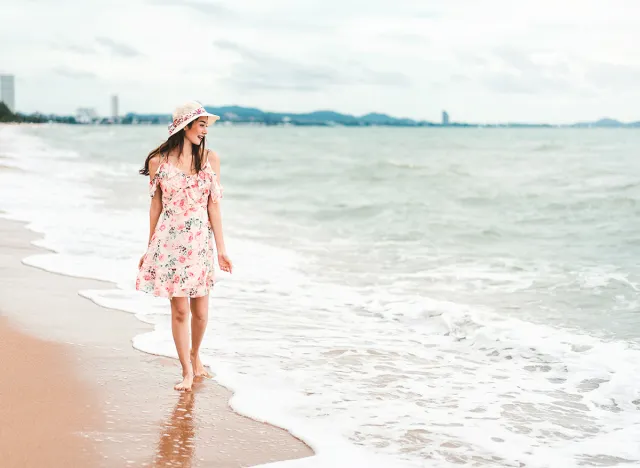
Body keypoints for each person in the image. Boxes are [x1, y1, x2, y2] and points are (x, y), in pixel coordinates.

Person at [136, 101, 233, 392]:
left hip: (199, 244)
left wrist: (221, 249)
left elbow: (213, 207)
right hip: (169, 244)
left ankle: (195, 353)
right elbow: (155, 207)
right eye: (200, 124)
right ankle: (187, 370)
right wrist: (149, 246)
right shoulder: (159, 163)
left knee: (201, 313)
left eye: (206, 125)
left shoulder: (209, 160)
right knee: (179, 312)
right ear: (185, 126)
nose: (205, 131)